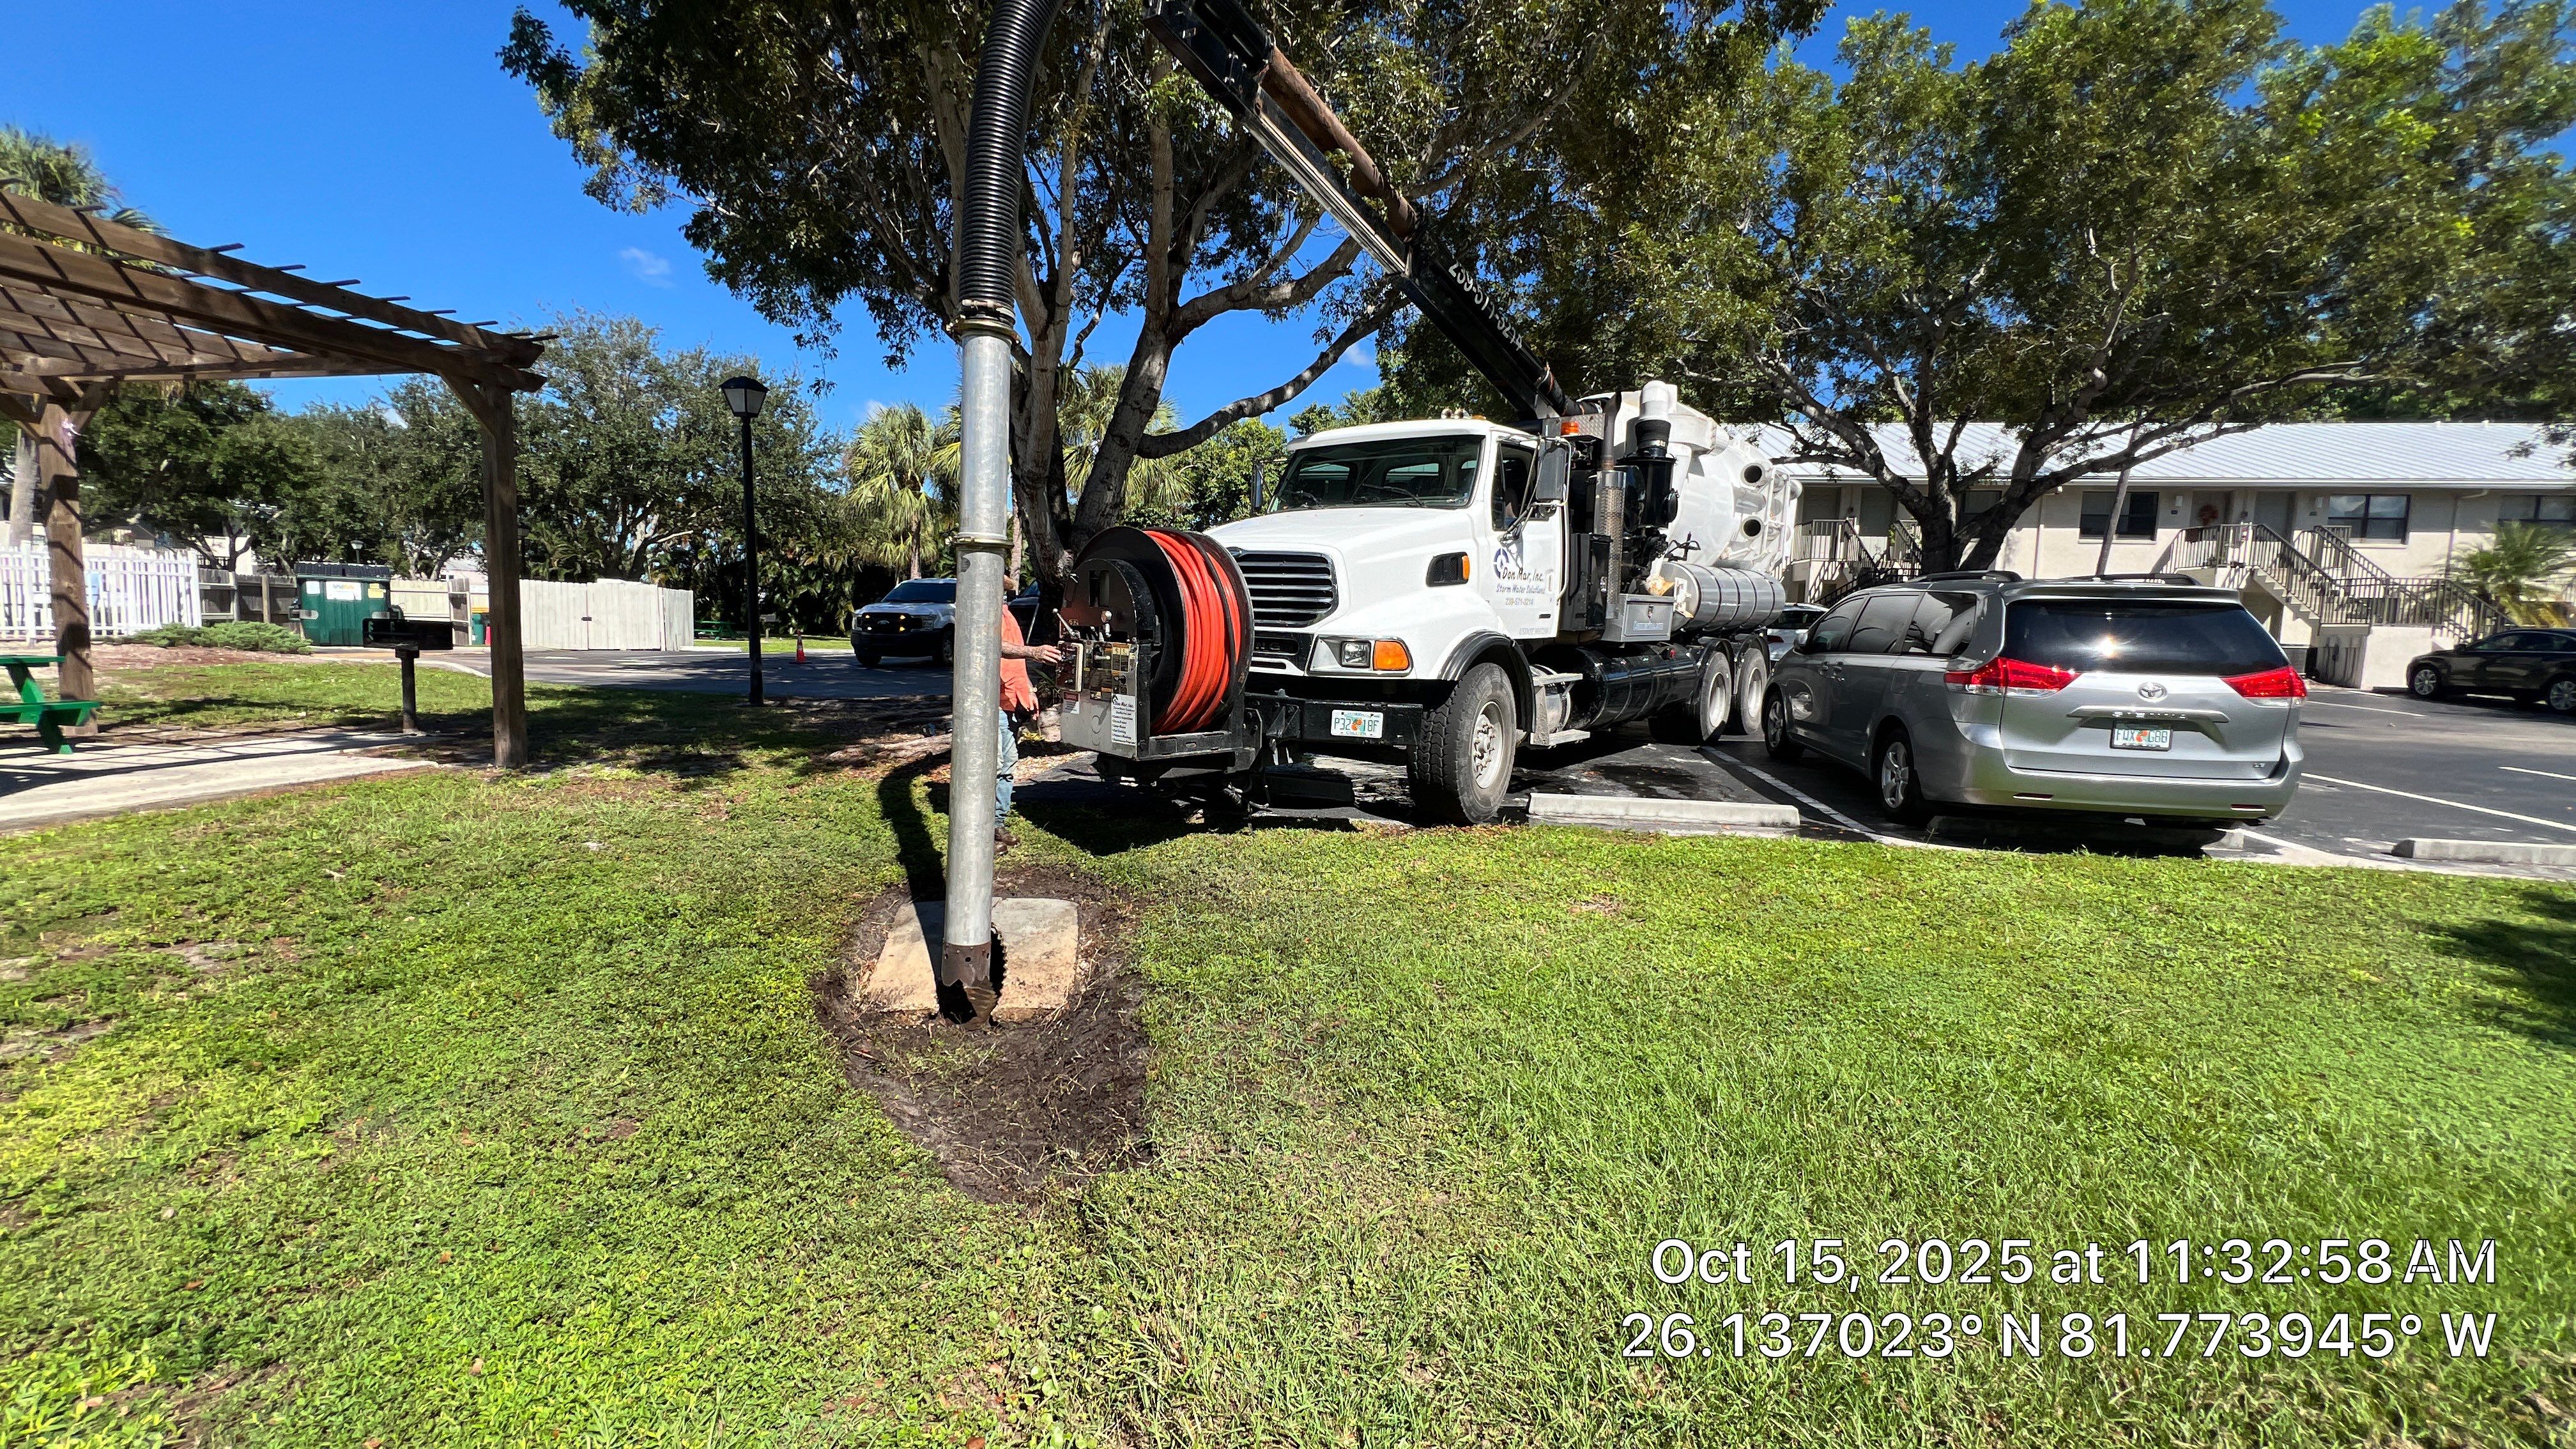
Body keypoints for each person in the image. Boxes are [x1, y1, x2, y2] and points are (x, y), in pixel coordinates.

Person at [993, 602, 1060, 853]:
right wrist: (1034, 652)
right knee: (994, 766)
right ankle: (980, 830)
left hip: (1009, 702)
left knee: (1007, 764)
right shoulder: (983, 609)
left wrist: (1027, 689)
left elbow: (1014, 662)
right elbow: (995, 645)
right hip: (991, 704)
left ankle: (997, 824)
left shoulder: (1005, 612)